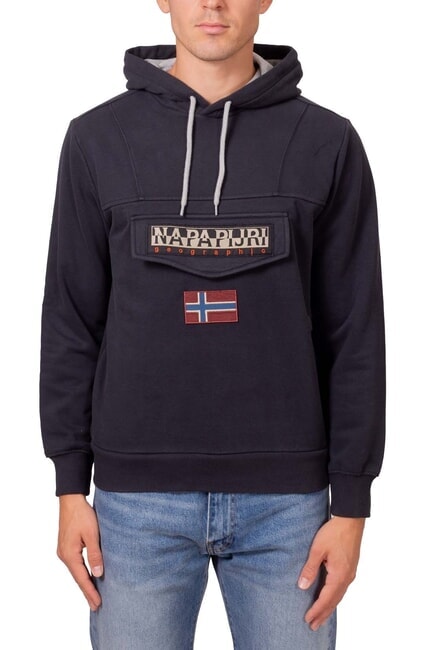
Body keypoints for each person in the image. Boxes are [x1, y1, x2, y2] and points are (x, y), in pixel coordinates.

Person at [39, 0, 386, 648]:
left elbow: (354, 334)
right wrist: (68, 486)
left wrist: (351, 505)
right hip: (134, 509)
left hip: (290, 508)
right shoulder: (96, 139)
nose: (213, 3)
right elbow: (72, 321)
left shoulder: (326, 141)